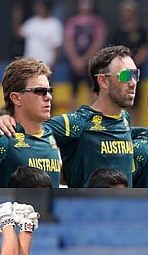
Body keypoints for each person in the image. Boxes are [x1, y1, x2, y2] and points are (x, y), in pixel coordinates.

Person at [45, 45, 136, 188]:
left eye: (135, 74)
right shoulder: (78, 122)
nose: (133, 82)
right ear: (103, 81)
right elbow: (30, 133)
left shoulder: (125, 118)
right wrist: (8, 119)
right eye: (126, 76)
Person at [0, 58, 61, 188]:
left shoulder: (54, 133)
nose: (48, 97)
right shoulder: (0, 140)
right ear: (16, 98)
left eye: (49, 90)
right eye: (40, 91)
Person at [106, 0, 148, 126]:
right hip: (120, 72)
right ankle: (120, 125)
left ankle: (134, 126)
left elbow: (145, 48)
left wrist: (132, 64)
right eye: (124, 11)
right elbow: (112, 50)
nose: (126, 14)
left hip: (135, 71)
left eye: (128, 11)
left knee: (133, 100)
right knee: (120, 97)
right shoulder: (117, 32)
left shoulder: (141, 30)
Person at [63, 0, 106, 112]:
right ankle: (73, 117)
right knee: (73, 91)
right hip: (75, 62)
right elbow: (69, 41)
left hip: (91, 61)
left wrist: (86, 59)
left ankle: (93, 115)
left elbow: (98, 41)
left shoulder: (97, 22)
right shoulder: (72, 21)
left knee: (92, 89)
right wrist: (75, 59)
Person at [17, 0, 63, 68]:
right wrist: (17, 18)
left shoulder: (54, 24)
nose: (39, 9)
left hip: (45, 64)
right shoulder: (32, 22)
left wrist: (53, 64)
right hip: (29, 63)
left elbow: (57, 46)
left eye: (41, 7)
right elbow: (19, 34)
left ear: (47, 9)